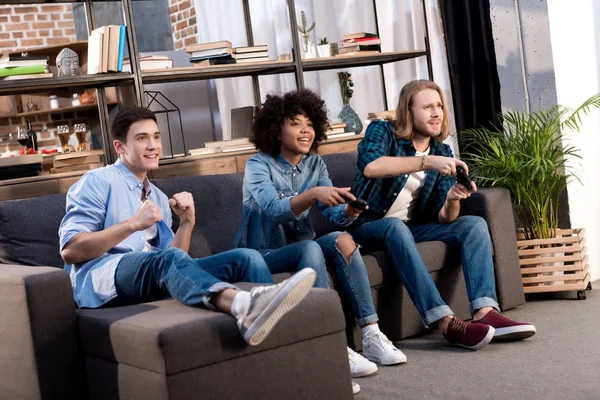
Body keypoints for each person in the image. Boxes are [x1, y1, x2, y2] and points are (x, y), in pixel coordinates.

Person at [59, 106, 316, 346]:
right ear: (120, 146)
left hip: (150, 278)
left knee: (245, 258)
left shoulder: (157, 196)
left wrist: (186, 223)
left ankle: (284, 338)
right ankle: (242, 305)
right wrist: (133, 224)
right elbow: (71, 250)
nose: (153, 146)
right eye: (141, 138)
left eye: (157, 137)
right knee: (165, 259)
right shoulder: (97, 181)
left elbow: (174, 260)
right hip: (104, 281)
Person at [233, 89, 406, 380]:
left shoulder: (315, 164)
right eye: (295, 123)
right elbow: (275, 210)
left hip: (302, 245)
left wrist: (349, 213)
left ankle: (372, 335)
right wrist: (313, 193)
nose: (305, 130)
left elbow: (332, 216)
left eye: (310, 124)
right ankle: (332, 344)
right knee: (309, 249)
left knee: (343, 239)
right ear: (276, 130)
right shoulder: (258, 165)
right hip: (262, 253)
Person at [351, 80, 536, 350]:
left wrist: (452, 199)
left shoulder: (441, 151)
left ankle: (485, 311)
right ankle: (444, 321)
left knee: (473, 225)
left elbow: (444, 218)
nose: (436, 113)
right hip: (367, 227)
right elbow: (371, 166)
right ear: (408, 111)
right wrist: (427, 162)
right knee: (393, 226)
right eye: (427, 107)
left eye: (438, 106)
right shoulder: (383, 132)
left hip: (412, 228)